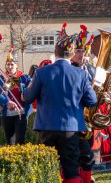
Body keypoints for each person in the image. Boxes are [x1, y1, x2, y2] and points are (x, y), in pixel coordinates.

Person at [22, 22, 98, 183]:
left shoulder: (41, 72)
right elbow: (92, 100)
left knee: (50, 167)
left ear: (55, 53)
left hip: (47, 126)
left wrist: (24, 91)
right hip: (71, 127)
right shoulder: (81, 74)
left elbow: (27, 97)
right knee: (71, 169)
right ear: (71, 55)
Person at [70, 25, 96, 183]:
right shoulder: (69, 69)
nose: (81, 54)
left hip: (88, 118)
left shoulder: (90, 69)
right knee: (82, 155)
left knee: (87, 154)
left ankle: (84, 177)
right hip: (74, 118)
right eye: (77, 51)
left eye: (82, 51)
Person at [0, 45, 33, 145]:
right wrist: (6, 101)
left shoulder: (24, 78)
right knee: (9, 140)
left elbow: (31, 91)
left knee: (19, 140)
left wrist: (25, 94)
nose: (10, 67)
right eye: (8, 64)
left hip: (20, 114)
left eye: (12, 64)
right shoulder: (2, 79)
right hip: (6, 114)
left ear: (16, 66)